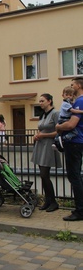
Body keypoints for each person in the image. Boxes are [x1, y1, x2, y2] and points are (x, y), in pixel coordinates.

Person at [56, 77, 83, 221]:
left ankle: (80, 211)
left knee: (74, 176)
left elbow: (71, 124)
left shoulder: (79, 101)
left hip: (74, 142)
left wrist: (58, 127)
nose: (71, 87)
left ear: (78, 85)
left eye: (72, 85)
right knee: (77, 175)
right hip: (77, 142)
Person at [31, 94, 61, 212]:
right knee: (43, 175)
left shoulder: (55, 114)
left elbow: (58, 132)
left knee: (44, 174)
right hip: (40, 146)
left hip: (49, 146)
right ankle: (48, 201)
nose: (40, 103)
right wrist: (37, 135)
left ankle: (53, 201)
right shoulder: (42, 115)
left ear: (49, 101)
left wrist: (44, 135)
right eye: (39, 101)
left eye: (42, 101)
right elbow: (41, 129)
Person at [52, 86, 83, 151]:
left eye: (70, 95)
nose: (68, 96)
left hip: (65, 118)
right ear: (63, 95)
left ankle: (56, 140)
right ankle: (64, 138)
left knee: (61, 131)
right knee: (74, 132)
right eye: (67, 95)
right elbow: (73, 111)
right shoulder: (65, 104)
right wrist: (81, 111)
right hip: (64, 119)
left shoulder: (70, 103)